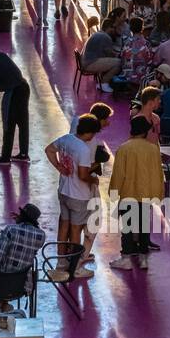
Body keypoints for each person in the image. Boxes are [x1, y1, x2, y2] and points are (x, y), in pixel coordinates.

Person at [45, 115, 100, 281]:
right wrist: (94, 179)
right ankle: (75, 267)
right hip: (79, 195)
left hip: (63, 190)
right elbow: (83, 175)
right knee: (76, 230)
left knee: (64, 226)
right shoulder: (83, 149)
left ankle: (61, 263)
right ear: (89, 133)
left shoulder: (66, 139)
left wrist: (59, 166)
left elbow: (49, 149)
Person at [108, 116, 165, 270]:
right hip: (146, 194)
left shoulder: (124, 148)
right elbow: (158, 174)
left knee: (127, 227)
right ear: (146, 131)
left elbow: (119, 173)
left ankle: (126, 258)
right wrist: (158, 194)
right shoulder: (153, 149)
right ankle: (143, 258)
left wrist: (113, 192)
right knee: (144, 226)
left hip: (128, 194)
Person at [0, 202, 45, 310]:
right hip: (23, 285)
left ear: (23, 216)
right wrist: (20, 222)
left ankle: (3, 306)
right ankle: (4, 308)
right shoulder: (41, 236)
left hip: (2, 284)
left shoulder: (10, 229)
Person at [81, 23, 122, 89]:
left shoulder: (97, 33)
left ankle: (103, 81)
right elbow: (110, 54)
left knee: (112, 61)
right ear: (108, 27)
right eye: (113, 28)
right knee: (119, 63)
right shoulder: (106, 37)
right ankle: (104, 83)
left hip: (84, 62)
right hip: (89, 64)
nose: (114, 30)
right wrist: (119, 54)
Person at [120, 17, 153, 85]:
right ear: (142, 28)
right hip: (142, 77)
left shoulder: (126, 43)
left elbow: (122, 58)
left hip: (127, 76)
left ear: (130, 28)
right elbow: (150, 61)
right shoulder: (146, 43)